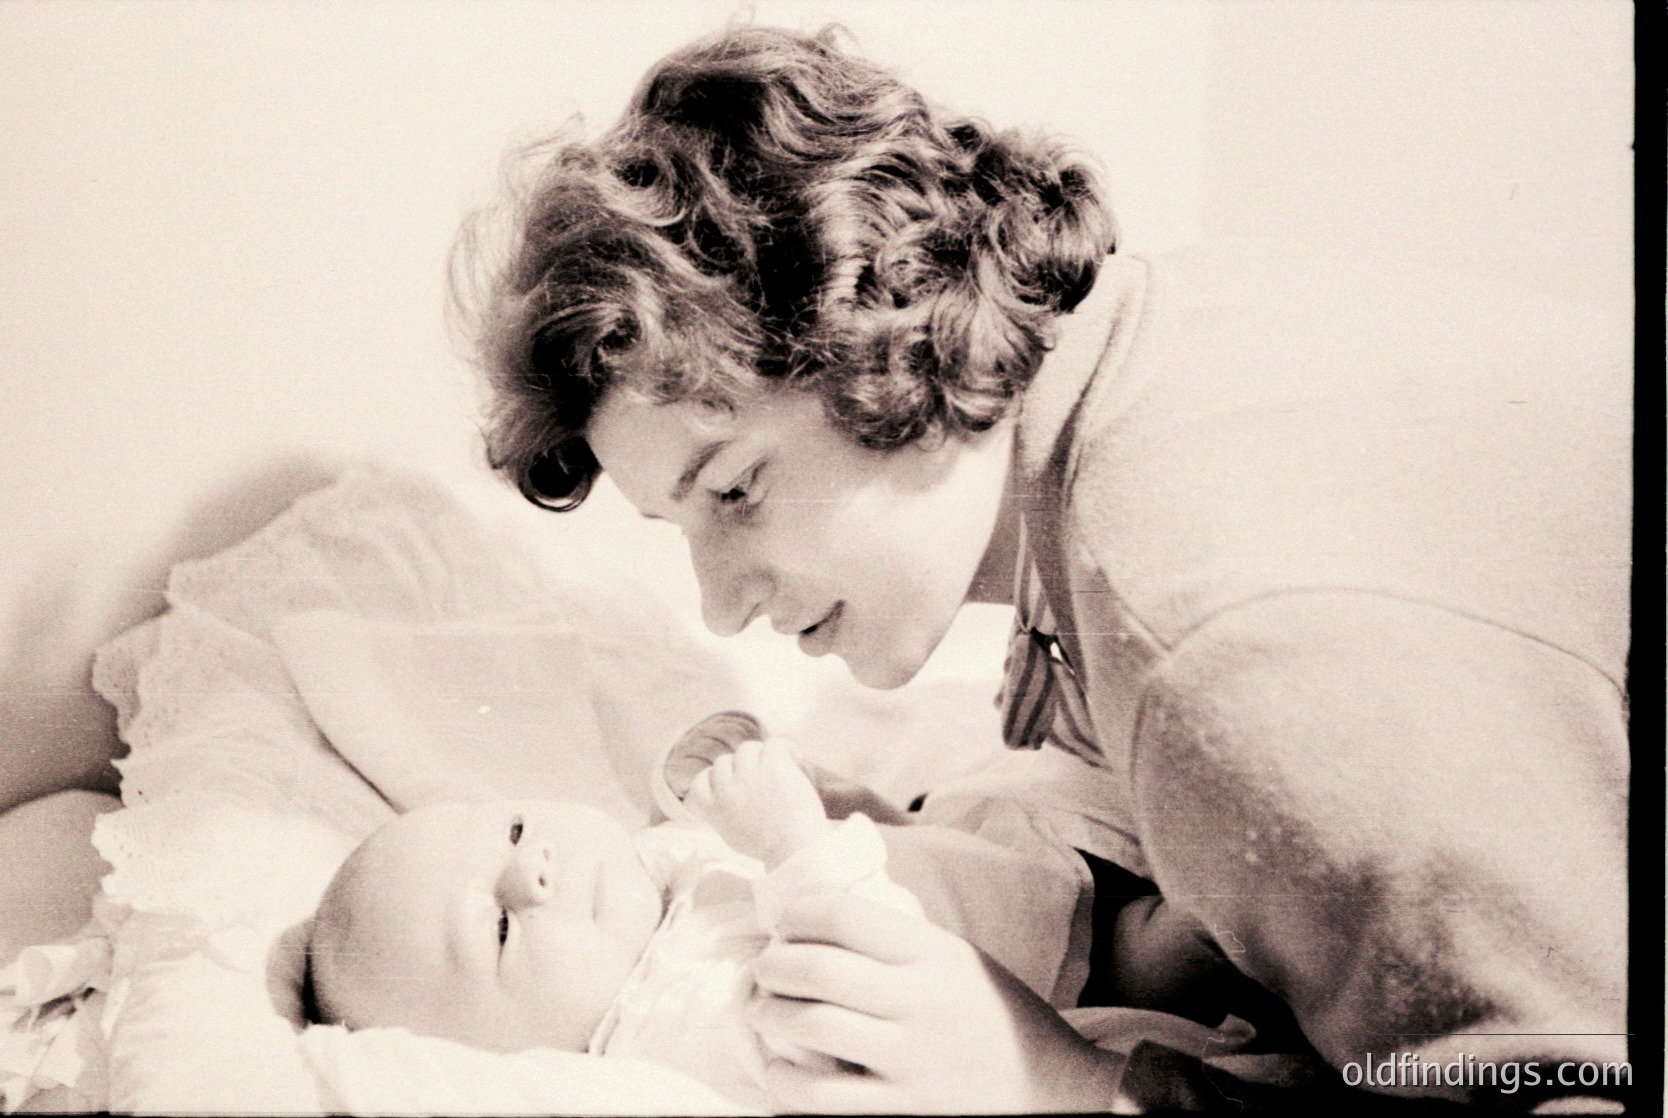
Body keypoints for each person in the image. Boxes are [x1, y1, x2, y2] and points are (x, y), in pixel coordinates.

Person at [457, 24, 1631, 1112]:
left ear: (887, 319)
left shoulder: (1199, 646)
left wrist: (1068, 1080)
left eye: (735, 488)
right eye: (684, 529)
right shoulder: (1161, 341)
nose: (720, 605)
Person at [303, 731, 1267, 1111]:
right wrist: (796, 841)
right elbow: (866, 985)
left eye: (511, 829)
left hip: (1031, 904)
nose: (534, 868)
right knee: (1187, 953)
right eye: (502, 932)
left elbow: (680, 840)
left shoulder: (636, 903)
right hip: (1039, 1003)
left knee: (1183, 910)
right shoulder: (681, 1032)